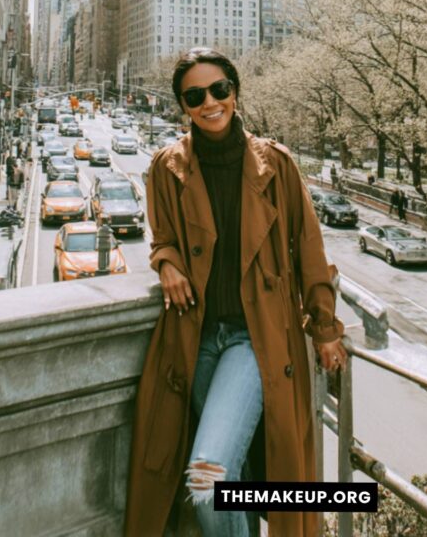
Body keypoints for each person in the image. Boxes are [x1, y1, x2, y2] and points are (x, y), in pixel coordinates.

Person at [125, 48, 347, 537]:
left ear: (235, 92)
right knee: (236, 469)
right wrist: (167, 262)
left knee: (208, 478)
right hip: (194, 339)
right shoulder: (166, 168)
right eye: (195, 96)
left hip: (256, 338)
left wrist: (325, 328)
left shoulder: (277, 165)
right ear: (183, 106)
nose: (209, 103)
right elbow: (162, 237)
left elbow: (310, 250)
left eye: (219, 90)